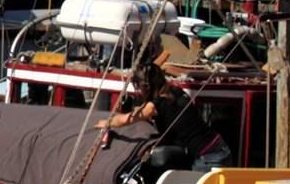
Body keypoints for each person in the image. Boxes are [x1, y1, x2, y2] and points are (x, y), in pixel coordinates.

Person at [96, 62, 231, 171]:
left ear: (145, 87)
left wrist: (104, 123)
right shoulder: (176, 91)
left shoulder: (156, 105)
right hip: (220, 146)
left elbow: (126, 120)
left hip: (208, 157)